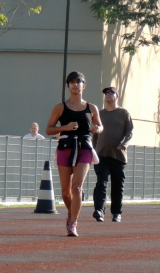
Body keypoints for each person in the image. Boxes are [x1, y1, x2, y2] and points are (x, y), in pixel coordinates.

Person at [45, 71, 103, 237]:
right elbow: (49, 129)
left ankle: (73, 223)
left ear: (84, 86)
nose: (75, 85)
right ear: (68, 86)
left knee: (77, 187)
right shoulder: (60, 107)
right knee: (65, 192)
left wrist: (97, 129)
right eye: (72, 82)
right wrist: (65, 127)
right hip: (65, 147)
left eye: (79, 82)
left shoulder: (91, 107)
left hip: (84, 147)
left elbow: (100, 125)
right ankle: (71, 212)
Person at [92, 86, 133, 223]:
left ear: (117, 96)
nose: (108, 95)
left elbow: (130, 132)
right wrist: (92, 150)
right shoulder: (99, 114)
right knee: (101, 183)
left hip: (118, 156)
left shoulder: (124, 113)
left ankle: (116, 212)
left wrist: (124, 144)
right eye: (106, 93)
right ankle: (99, 210)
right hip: (101, 155)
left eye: (111, 93)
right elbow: (95, 134)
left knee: (117, 186)